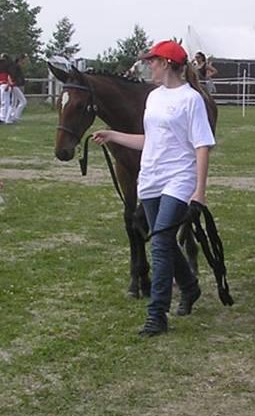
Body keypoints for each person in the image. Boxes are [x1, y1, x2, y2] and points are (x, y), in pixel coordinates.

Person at [91, 40, 215, 336]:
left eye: (153, 61)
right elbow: (151, 141)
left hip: (179, 178)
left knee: (159, 243)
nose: (150, 66)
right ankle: (189, 286)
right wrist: (114, 135)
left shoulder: (191, 99)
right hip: (151, 178)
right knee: (163, 238)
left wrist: (199, 190)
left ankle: (156, 313)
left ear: (168, 64)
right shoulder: (153, 97)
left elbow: (201, 146)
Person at [6, 54, 28, 124]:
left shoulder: (17, 67)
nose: (25, 61)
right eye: (25, 59)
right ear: (21, 59)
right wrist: (11, 83)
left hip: (16, 85)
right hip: (14, 86)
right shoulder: (15, 67)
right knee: (22, 101)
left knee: (15, 102)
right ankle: (12, 117)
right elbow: (10, 75)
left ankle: (12, 117)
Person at [0, 53, 12, 123]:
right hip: (2, 84)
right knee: (6, 102)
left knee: (4, 102)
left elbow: (10, 76)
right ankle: (6, 117)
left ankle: (3, 117)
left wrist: (8, 85)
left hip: (5, 84)